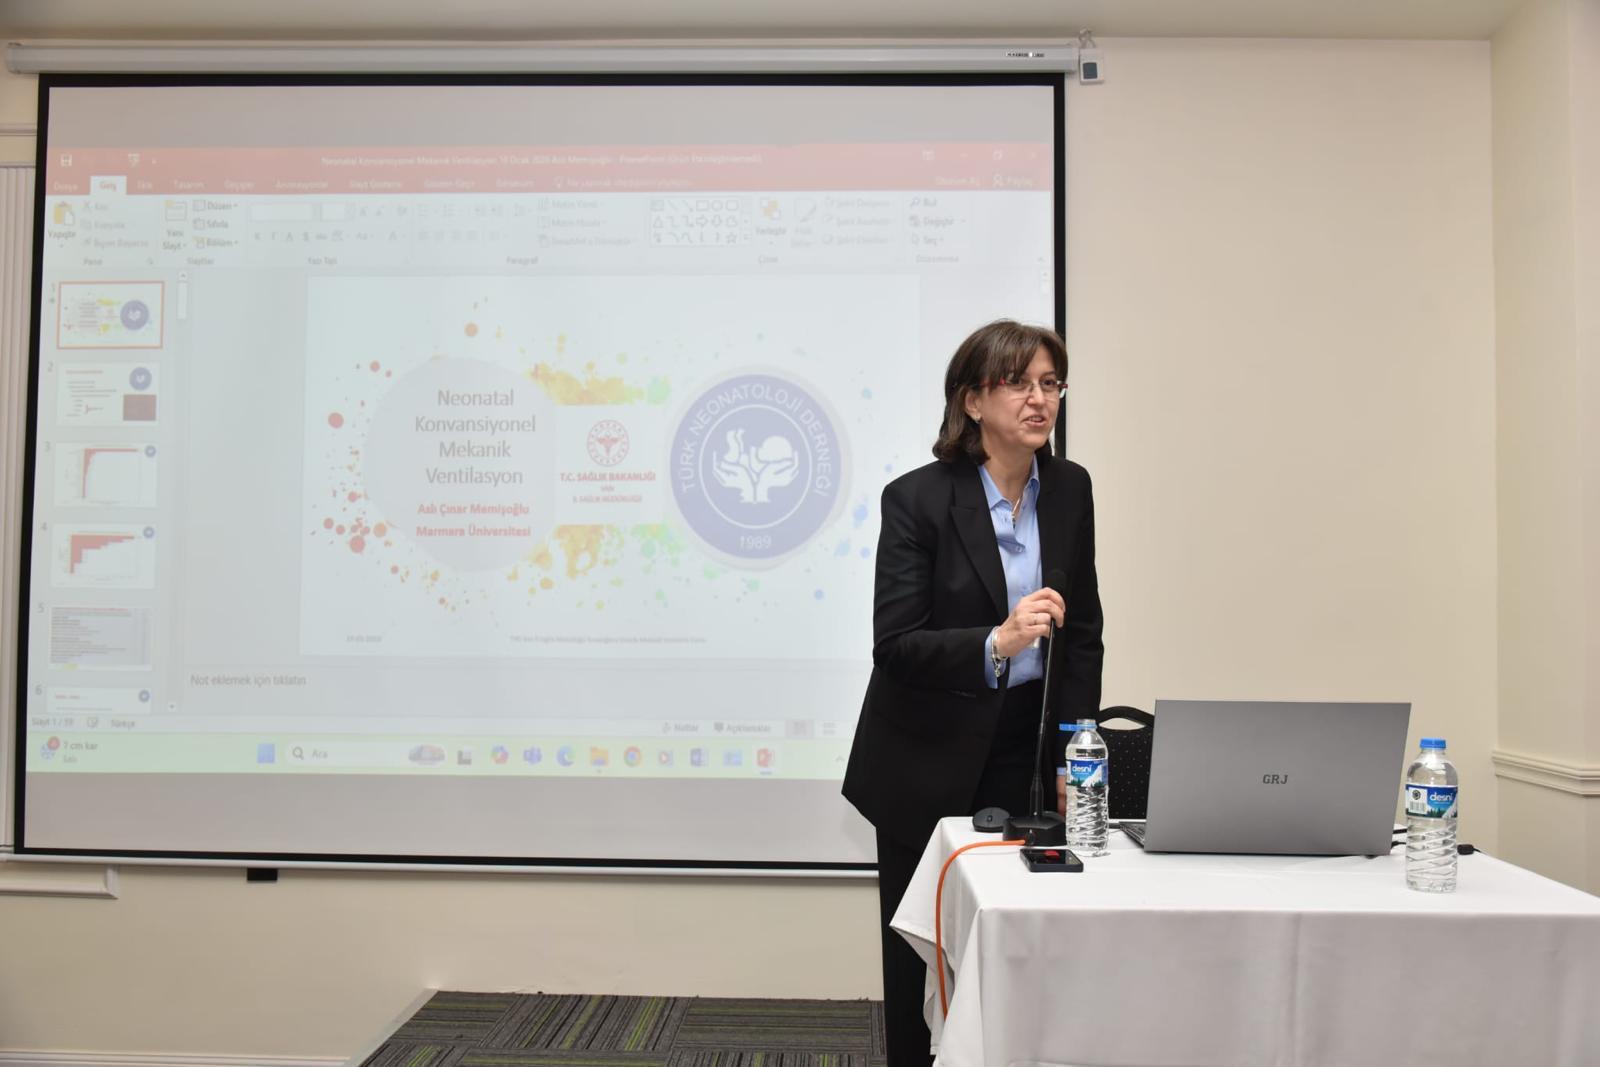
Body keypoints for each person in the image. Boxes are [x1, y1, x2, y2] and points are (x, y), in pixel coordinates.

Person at [842, 319, 1104, 1067]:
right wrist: (998, 640)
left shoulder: (1071, 489)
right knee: (924, 956)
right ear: (972, 400)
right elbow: (896, 644)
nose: (1039, 399)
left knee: (1020, 943)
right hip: (926, 751)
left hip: (1027, 745)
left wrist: (1073, 750)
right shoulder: (917, 500)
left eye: (1050, 383)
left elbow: (1083, 632)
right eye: (1017, 383)